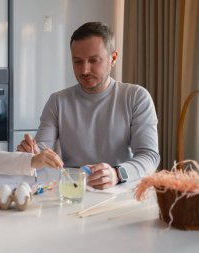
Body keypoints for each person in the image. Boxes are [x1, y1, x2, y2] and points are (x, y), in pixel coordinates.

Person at [17, 22, 160, 190]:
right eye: (77, 62)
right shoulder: (57, 101)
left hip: (121, 189)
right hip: (74, 190)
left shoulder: (136, 97)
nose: (84, 70)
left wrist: (117, 173)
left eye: (93, 60)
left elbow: (149, 156)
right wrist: (32, 154)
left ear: (113, 58)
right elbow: (42, 151)